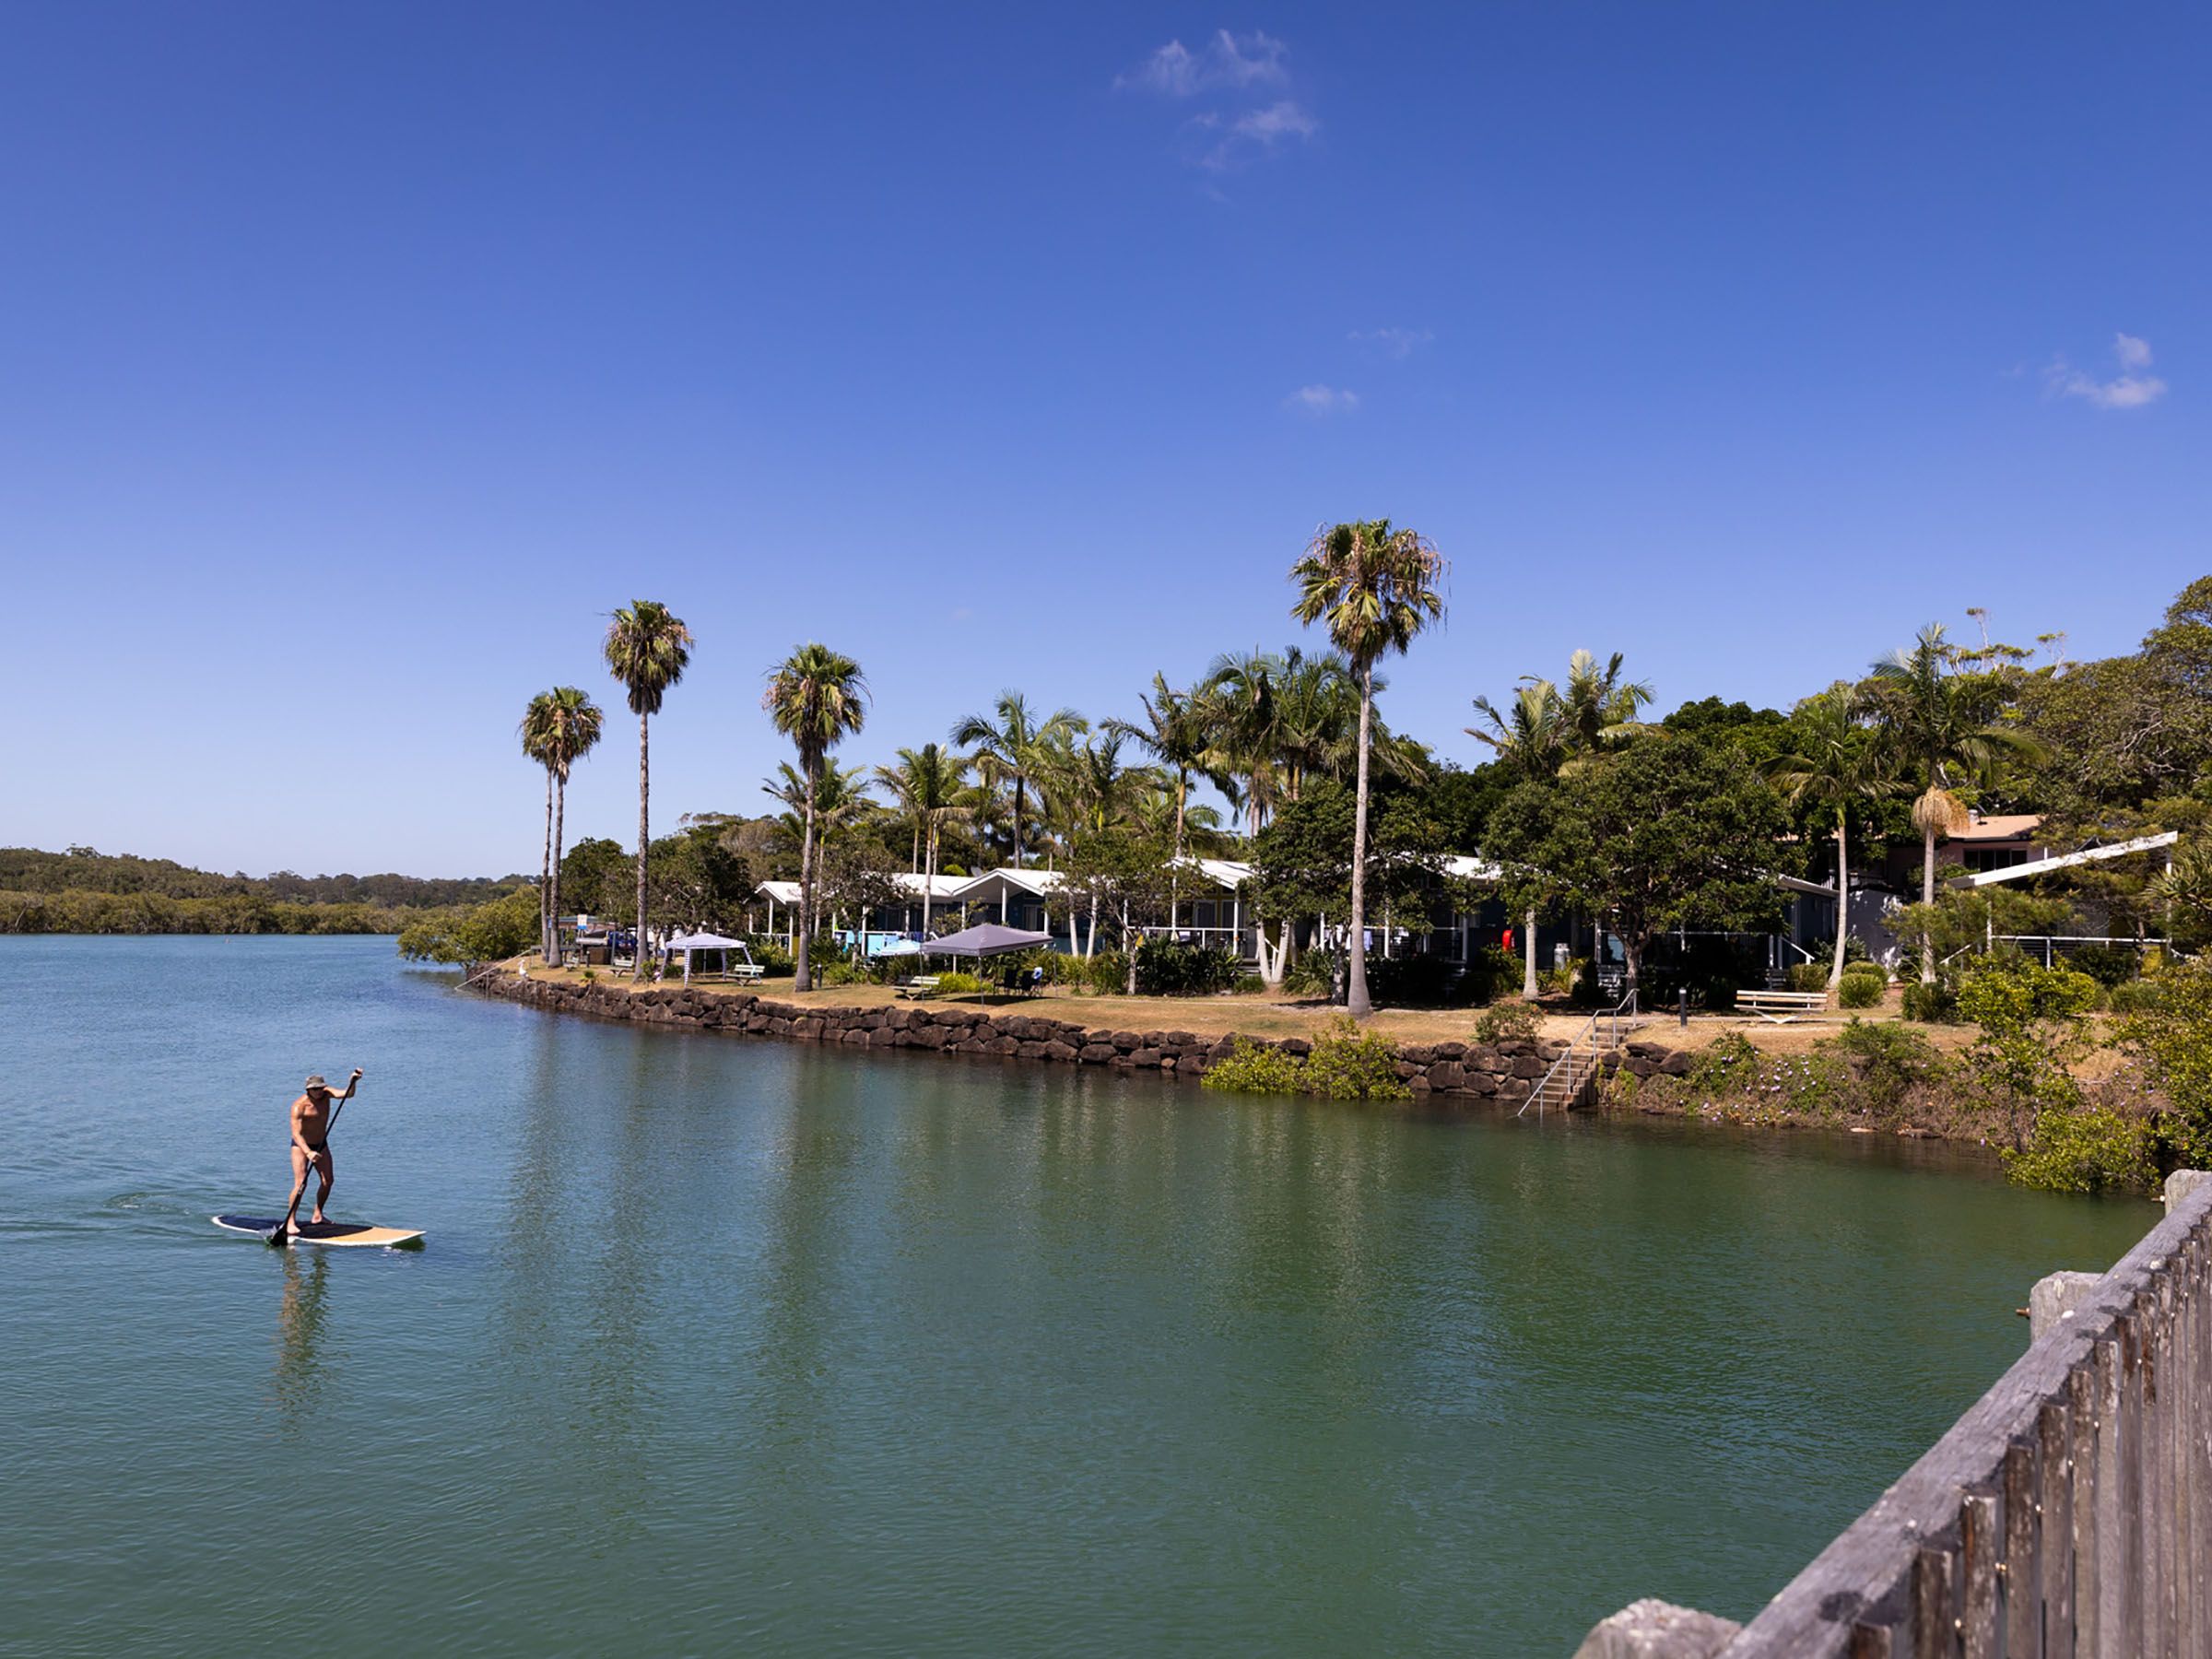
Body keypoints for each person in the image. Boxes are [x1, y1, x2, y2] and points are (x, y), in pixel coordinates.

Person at [282, 1069, 362, 1234]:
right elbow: (296, 1134)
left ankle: (318, 1215)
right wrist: (308, 1152)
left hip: (321, 1144)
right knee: (301, 1184)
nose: (319, 1092)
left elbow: (348, 1095)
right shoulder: (299, 1106)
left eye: (320, 1088)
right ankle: (290, 1221)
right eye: (315, 1089)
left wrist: (353, 1082)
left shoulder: (327, 1094)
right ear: (308, 1090)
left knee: (328, 1181)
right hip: (300, 1146)